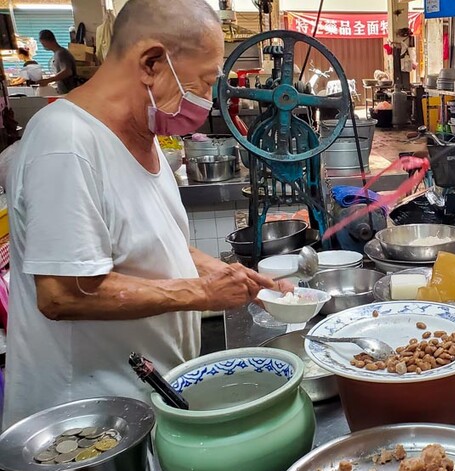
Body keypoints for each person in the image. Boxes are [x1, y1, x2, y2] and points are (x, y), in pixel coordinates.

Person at [2, 0, 291, 429]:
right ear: (152, 63)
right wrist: (203, 293)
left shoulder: (142, 135)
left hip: (145, 398)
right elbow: (62, 293)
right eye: (205, 81)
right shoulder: (66, 143)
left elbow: (155, 245)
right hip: (88, 422)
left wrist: (231, 277)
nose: (207, 99)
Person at [35, 29, 78, 94]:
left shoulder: (61, 53)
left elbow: (67, 72)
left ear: (45, 41)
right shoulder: (58, 53)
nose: (43, 46)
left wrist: (48, 80)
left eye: (42, 43)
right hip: (65, 92)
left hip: (69, 92)